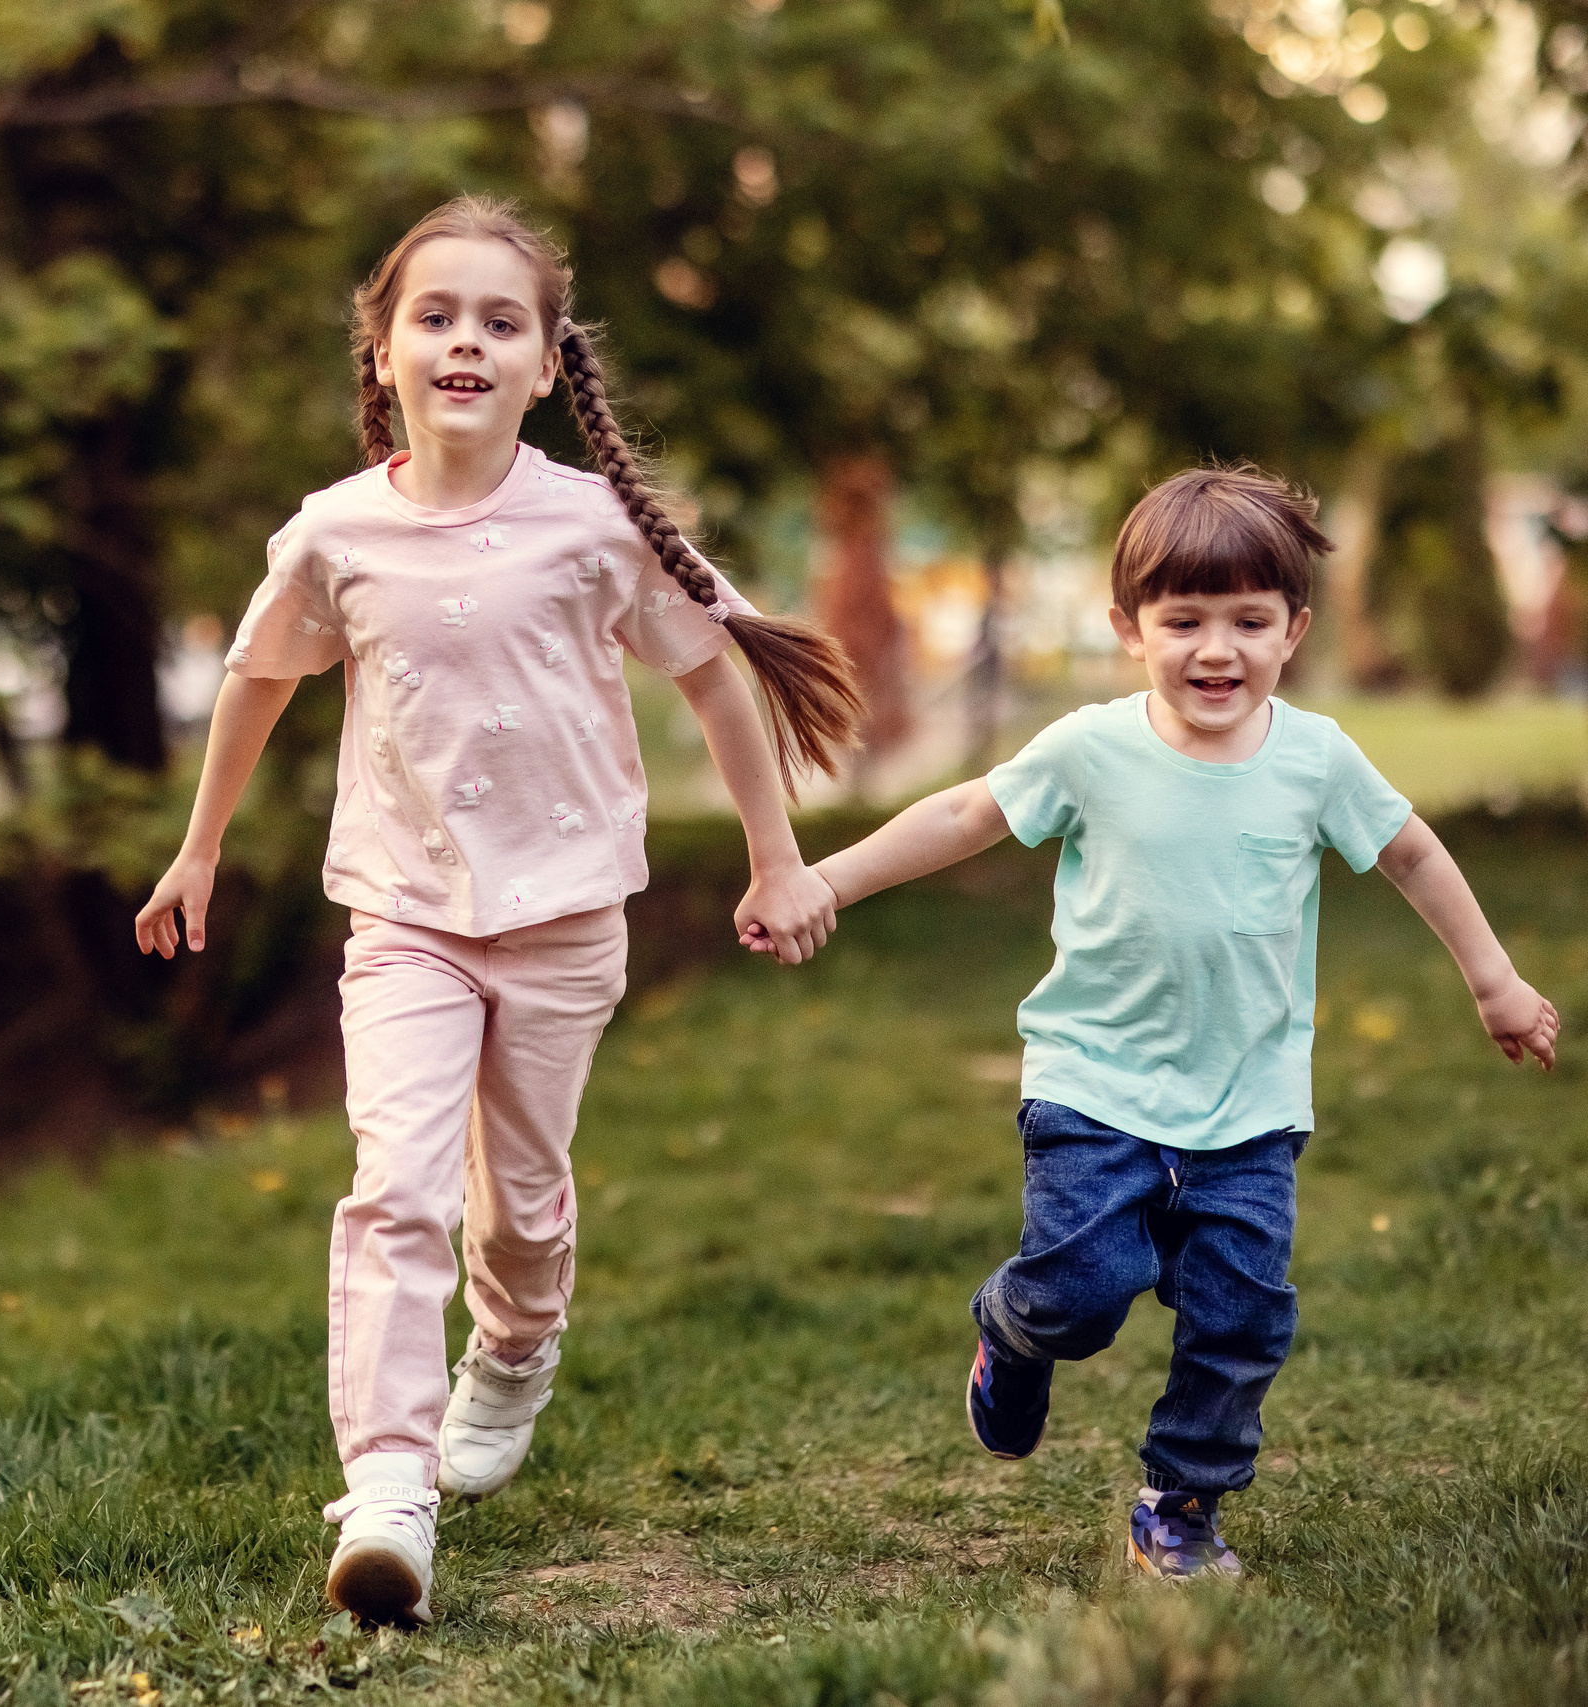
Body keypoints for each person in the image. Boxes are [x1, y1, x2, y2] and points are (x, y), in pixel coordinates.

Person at [132, 197, 862, 1626]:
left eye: (500, 320)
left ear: (544, 366)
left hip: (565, 915)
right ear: (387, 352)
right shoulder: (335, 533)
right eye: (437, 314)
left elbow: (716, 673)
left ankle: (517, 1347)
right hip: (402, 911)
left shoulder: (592, 527)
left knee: (516, 1203)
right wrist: (199, 847)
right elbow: (259, 676)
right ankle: (389, 1485)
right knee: (392, 1181)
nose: (466, 337)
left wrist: (779, 858)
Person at [802, 466, 1562, 1581]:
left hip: (1249, 1111)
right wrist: (827, 880)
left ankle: (1180, 1503)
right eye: (1185, 621)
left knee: (1242, 1322)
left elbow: (1409, 851)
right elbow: (967, 813)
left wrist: (1492, 978)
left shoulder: (1314, 759)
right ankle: (1012, 1328)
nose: (1219, 650)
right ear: (1128, 628)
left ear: (1294, 630)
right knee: (1078, 1296)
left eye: (1249, 621)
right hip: (1094, 1089)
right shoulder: (1089, 750)